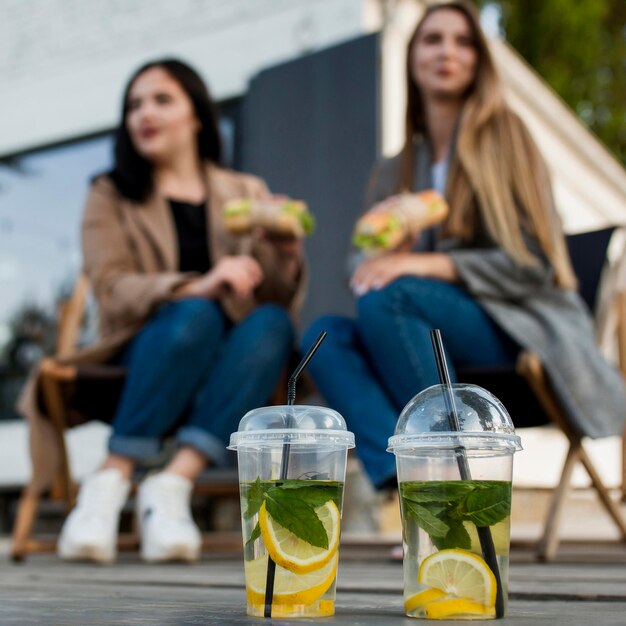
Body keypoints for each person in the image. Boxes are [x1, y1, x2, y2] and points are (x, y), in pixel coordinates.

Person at [303, 0, 626, 493]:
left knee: (394, 294)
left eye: (462, 40)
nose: (446, 52)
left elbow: (537, 262)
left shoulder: (507, 137)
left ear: (479, 59)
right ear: (412, 58)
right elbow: (364, 268)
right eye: (432, 39)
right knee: (322, 337)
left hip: (512, 324)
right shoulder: (396, 167)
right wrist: (386, 253)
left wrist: (428, 263)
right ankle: (408, 483)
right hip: (422, 334)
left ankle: (450, 486)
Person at [41, 59, 305, 563]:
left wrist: (286, 253)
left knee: (273, 323)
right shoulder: (111, 193)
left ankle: (171, 485)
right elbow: (112, 287)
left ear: (197, 115)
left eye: (162, 100)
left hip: (233, 362)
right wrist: (199, 284)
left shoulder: (244, 191)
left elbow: (275, 296)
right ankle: (111, 480)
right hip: (150, 347)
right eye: (134, 104)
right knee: (198, 314)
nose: (145, 113)